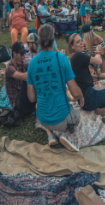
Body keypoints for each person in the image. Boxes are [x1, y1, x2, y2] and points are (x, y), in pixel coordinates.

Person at [27, 24, 83, 152]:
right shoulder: (61, 59)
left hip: (43, 119)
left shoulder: (32, 63)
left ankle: (50, 134)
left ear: (39, 42)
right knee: (78, 116)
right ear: (53, 41)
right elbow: (75, 93)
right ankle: (64, 135)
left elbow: (31, 98)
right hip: (63, 120)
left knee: (45, 102)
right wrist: (82, 96)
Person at [67, 34, 105, 128]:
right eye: (78, 42)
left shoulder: (73, 58)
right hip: (88, 97)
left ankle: (98, 109)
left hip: (85, 97)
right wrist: (97, 53)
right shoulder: (78, 56)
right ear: (72, 46)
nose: (81, 43)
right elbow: (99, 61)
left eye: (81, 41)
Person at [5, 41, 27, 109]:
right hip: (17, 104)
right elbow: (24, 76)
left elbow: (31, 65)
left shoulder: (20, 64)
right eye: (21, 54)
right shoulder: (9, 68)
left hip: (23, 98)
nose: (23, 57)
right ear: (14, 53)